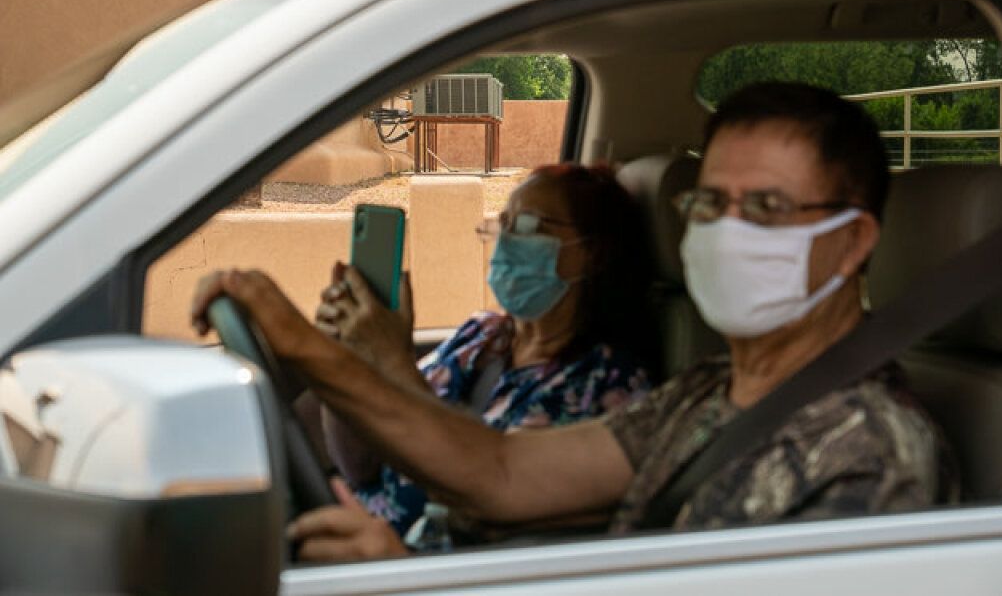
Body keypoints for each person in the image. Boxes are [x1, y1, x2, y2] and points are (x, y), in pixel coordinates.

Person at [192, 82, 955, 562]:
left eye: (764, 207)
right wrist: (305, 348)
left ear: (853, 241)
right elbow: (502, 471)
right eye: (710, 204)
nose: (727, 231)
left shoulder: (873, 453)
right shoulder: (705, 394)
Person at [312, 164, 654, 537]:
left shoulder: (609, 387)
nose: (506, 239)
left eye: (526, 227)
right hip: (359, 532)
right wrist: (345, 359)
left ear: (593, 252)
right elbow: (363, 466)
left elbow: (483, 492)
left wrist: (394, 361)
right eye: (503, 223)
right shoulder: (481, 335)